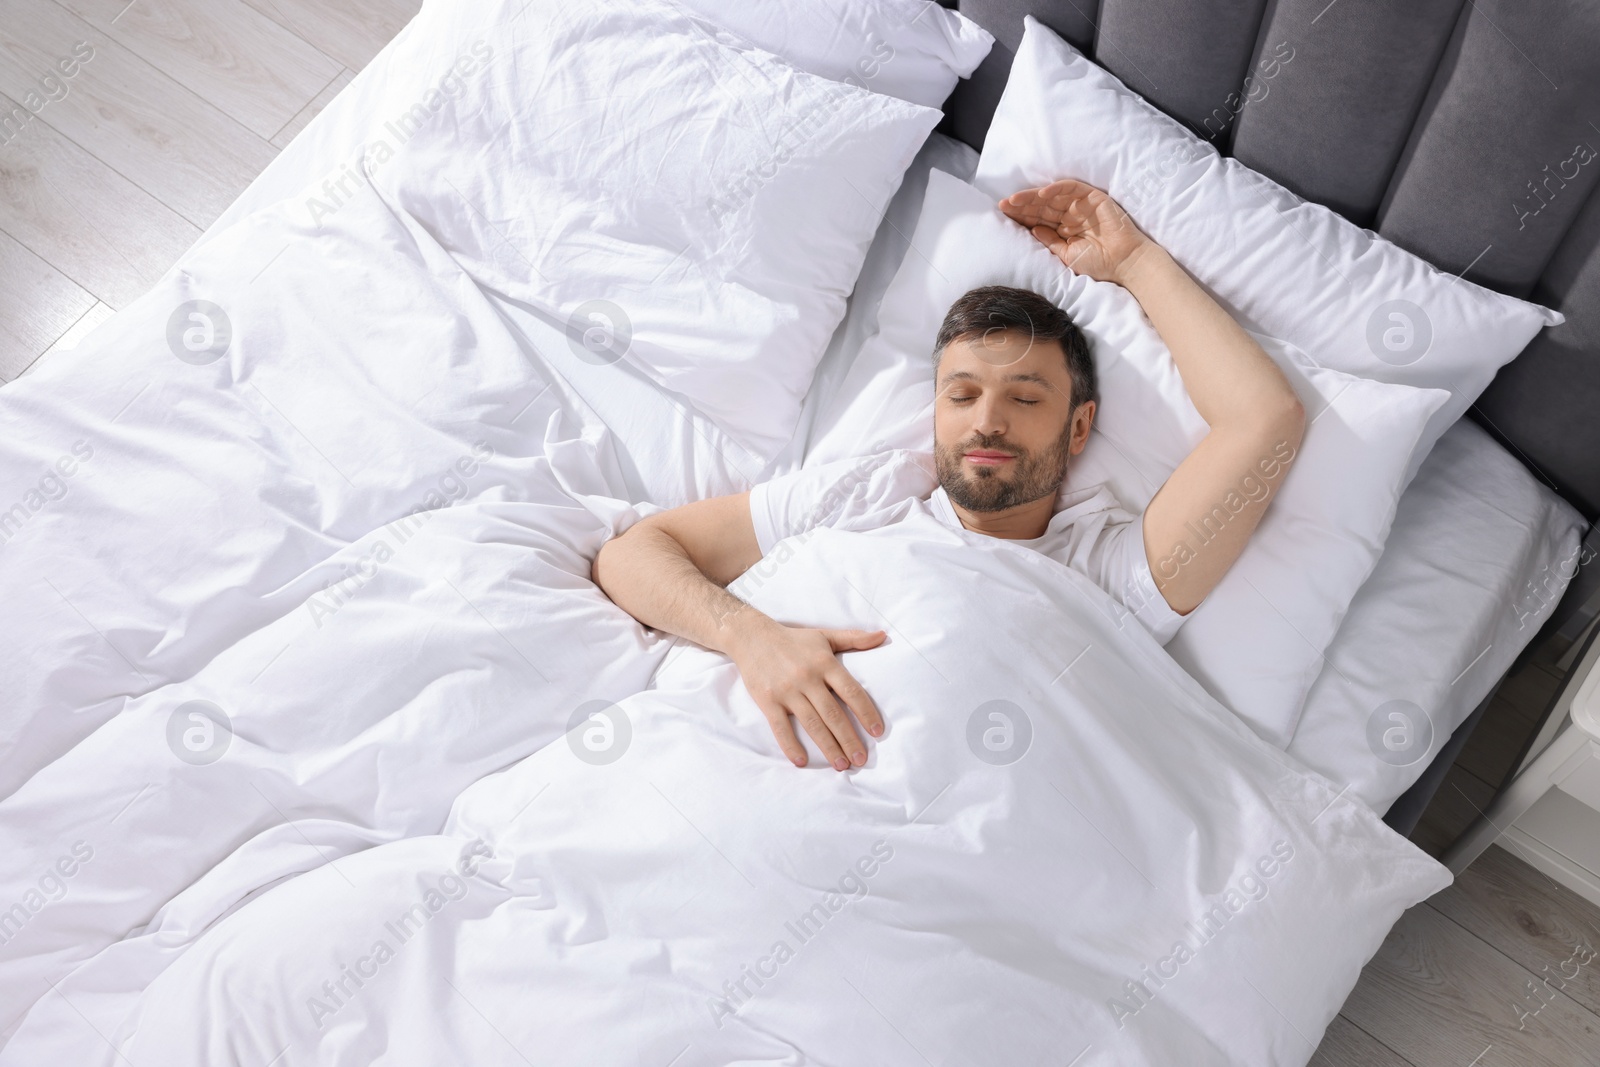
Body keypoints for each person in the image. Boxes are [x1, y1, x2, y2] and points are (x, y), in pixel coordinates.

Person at [593, 180, 1305, 772]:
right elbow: (632, 555)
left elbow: (1263, 418)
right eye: (962, 395)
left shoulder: (1112, 573)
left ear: (1079, 427)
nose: (986, 421)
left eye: (1025, 398)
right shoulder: (869, 493)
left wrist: (1134, 258)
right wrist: (750, 635)